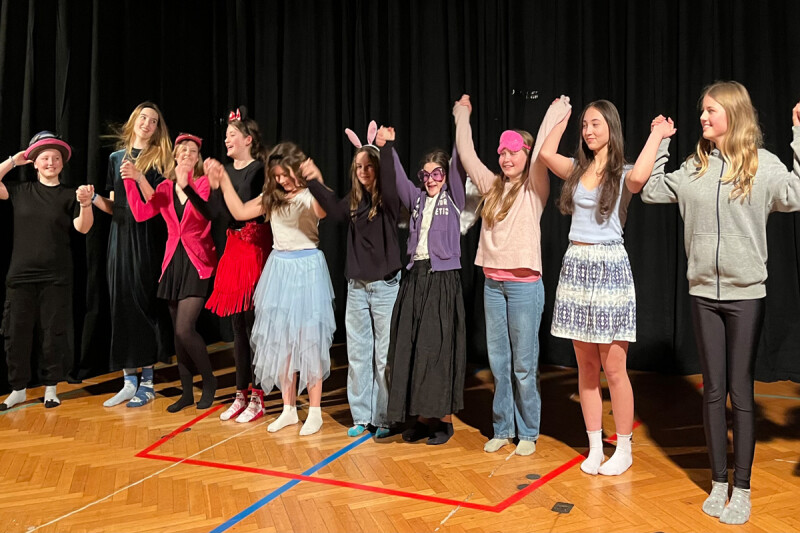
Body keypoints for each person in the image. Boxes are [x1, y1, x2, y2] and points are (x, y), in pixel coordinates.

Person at [639, 81, 800, 524]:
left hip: (746, 294)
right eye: (703, 111)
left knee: (740, 391)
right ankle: (717, 482)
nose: (703, 117)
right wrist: (661, 145)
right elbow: (651, 190)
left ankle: (741, 489)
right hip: (702, 293)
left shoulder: (763, 165)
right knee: (712, 391)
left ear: (733, 113)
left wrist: (798, 135)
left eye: (711, 110)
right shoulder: (695, 166)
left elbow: (797, 193)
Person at [539, 98, 657, 476]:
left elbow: (640, 179)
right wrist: (561, 117)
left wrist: (657, 134)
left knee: (614, 367)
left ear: (611, 128)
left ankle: (623, 448)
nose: (588, 131)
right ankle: (594, 446)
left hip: (609, 267)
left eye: (595, 124)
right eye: (585, 125)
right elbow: (545, 154)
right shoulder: (577, 169)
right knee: (586, 365)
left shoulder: (623, 172)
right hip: (577, 266)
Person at [452, 94, 570, 455]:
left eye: (513, 152)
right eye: (502, 152)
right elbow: (466, 153)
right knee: (499, 363)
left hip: (524, 287)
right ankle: (502, 428)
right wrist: (462, 113)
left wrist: (557, 111)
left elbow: (543, 150)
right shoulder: (491, 187)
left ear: (526, 154)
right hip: (493, 284)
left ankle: (528, 432)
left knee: (523, 363)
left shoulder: (534, 187)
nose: (506, 158)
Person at [205, 142, 335, 436]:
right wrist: (223, 180)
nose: (282, 180)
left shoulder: (308, 195)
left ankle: (314, 411)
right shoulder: (272, 198)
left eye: (285, 174)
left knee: (309, 340)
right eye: (277, 176)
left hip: (307, 267)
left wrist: (316, 179)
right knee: (282, 342)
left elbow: (324, 210)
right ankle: (289, 409)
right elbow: (239, 212)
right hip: (279, 267)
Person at [306, 121, 402, 438]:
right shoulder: (353, 200)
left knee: (384, 357)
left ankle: (384, 418)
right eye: (359, 166)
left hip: (385, 286)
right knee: (359, 355)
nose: (363, 171)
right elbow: (334, 211)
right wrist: (312, 180)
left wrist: (386, 147)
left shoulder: (388, 200)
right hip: (357, 288)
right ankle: (362, 416)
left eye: (368, 166)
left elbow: (390, 182)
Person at [182, 107, 272, 422]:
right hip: (234, 249)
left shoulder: (260, 170)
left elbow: (246, 209)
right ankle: (240, 393)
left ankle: (258, 396)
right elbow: (214, 213)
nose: (226, 140)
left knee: (254, 326)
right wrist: (189, 186)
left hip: (255, 248)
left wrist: (221, 180)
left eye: (232, 134)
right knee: (237, 328)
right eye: (225, 135)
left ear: (248, 139)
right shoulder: (226, 172)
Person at [378, 126, 466, 446]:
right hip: (415, 278)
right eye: (426, 175)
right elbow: (399, 178)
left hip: (442, 280)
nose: (431, 180)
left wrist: (461, 122)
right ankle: (420, 418)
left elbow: (459, 163)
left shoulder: (453, 198)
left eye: (437, 174)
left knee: (437, 351)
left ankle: (443, 421)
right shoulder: (416, 199)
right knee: (412, 349)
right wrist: (387, 147)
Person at [123, 133, 218, 412]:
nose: (188, 153)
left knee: (185, 329)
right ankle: (187, 392)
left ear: (198, 158)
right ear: (175, 156)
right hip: (172, 261)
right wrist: (133, 180)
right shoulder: (165, 186)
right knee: (177, 335)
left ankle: (209, 381)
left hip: (197, 259)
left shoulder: (203, 183)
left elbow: (204, 214)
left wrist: (186, 184)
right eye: (183, 150)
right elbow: (141, 212)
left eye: (193, 151)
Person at [0, 132, 93, 409]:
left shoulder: (69, 194)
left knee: (53, 334)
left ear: (62, 164)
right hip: (20, 276)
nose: (50, 162)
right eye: (44, 158)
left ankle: (51, 388)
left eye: (55, 158)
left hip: (56, 277)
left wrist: (86, 204)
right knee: (16, 334)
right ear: (35, 163)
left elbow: (83, 228)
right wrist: (13, 161)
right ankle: (18, 389)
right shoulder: (20, 191)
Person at [91, 102, 173, 407]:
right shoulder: (116, 158)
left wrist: (139, 177)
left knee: (142, 303)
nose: (147, 124)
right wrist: (93, 198)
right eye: (143, 118)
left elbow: (160, 203)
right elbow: (115, 206)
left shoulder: (160, 159)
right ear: (134, 120)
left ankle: (148, 381)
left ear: (157, 129)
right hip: (120, 236)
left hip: (146, 237)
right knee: (121, 303)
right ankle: (129, 380)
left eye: (153, 121)